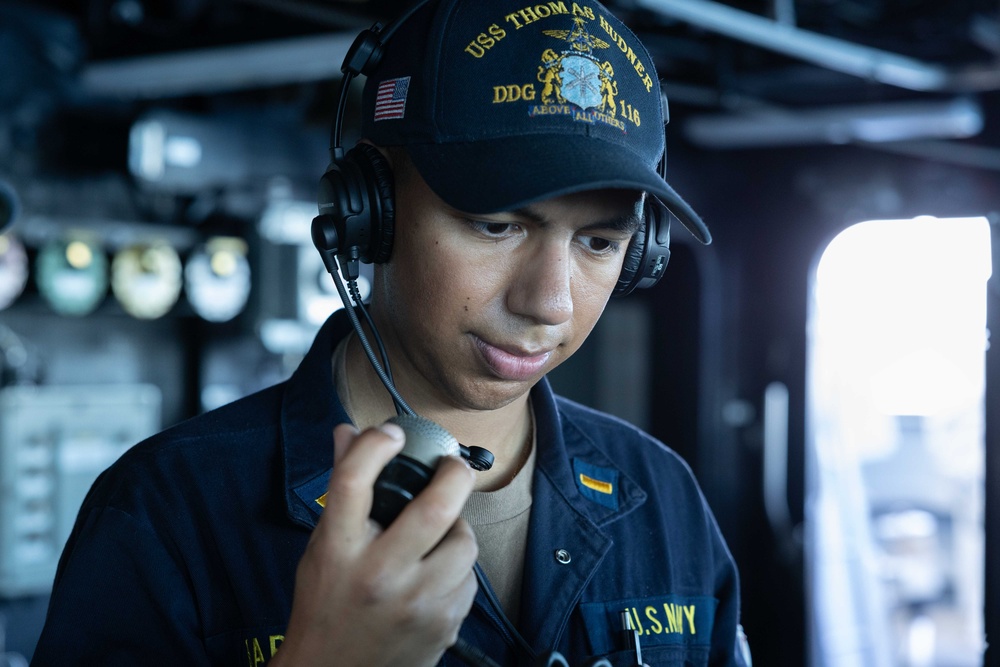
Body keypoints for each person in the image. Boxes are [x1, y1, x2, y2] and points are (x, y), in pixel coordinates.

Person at [32, 0, 751, 665]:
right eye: (496, 224)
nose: (549, 303)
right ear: (367, 211)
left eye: (597, 242)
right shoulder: (168, 512)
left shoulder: (662, 496)